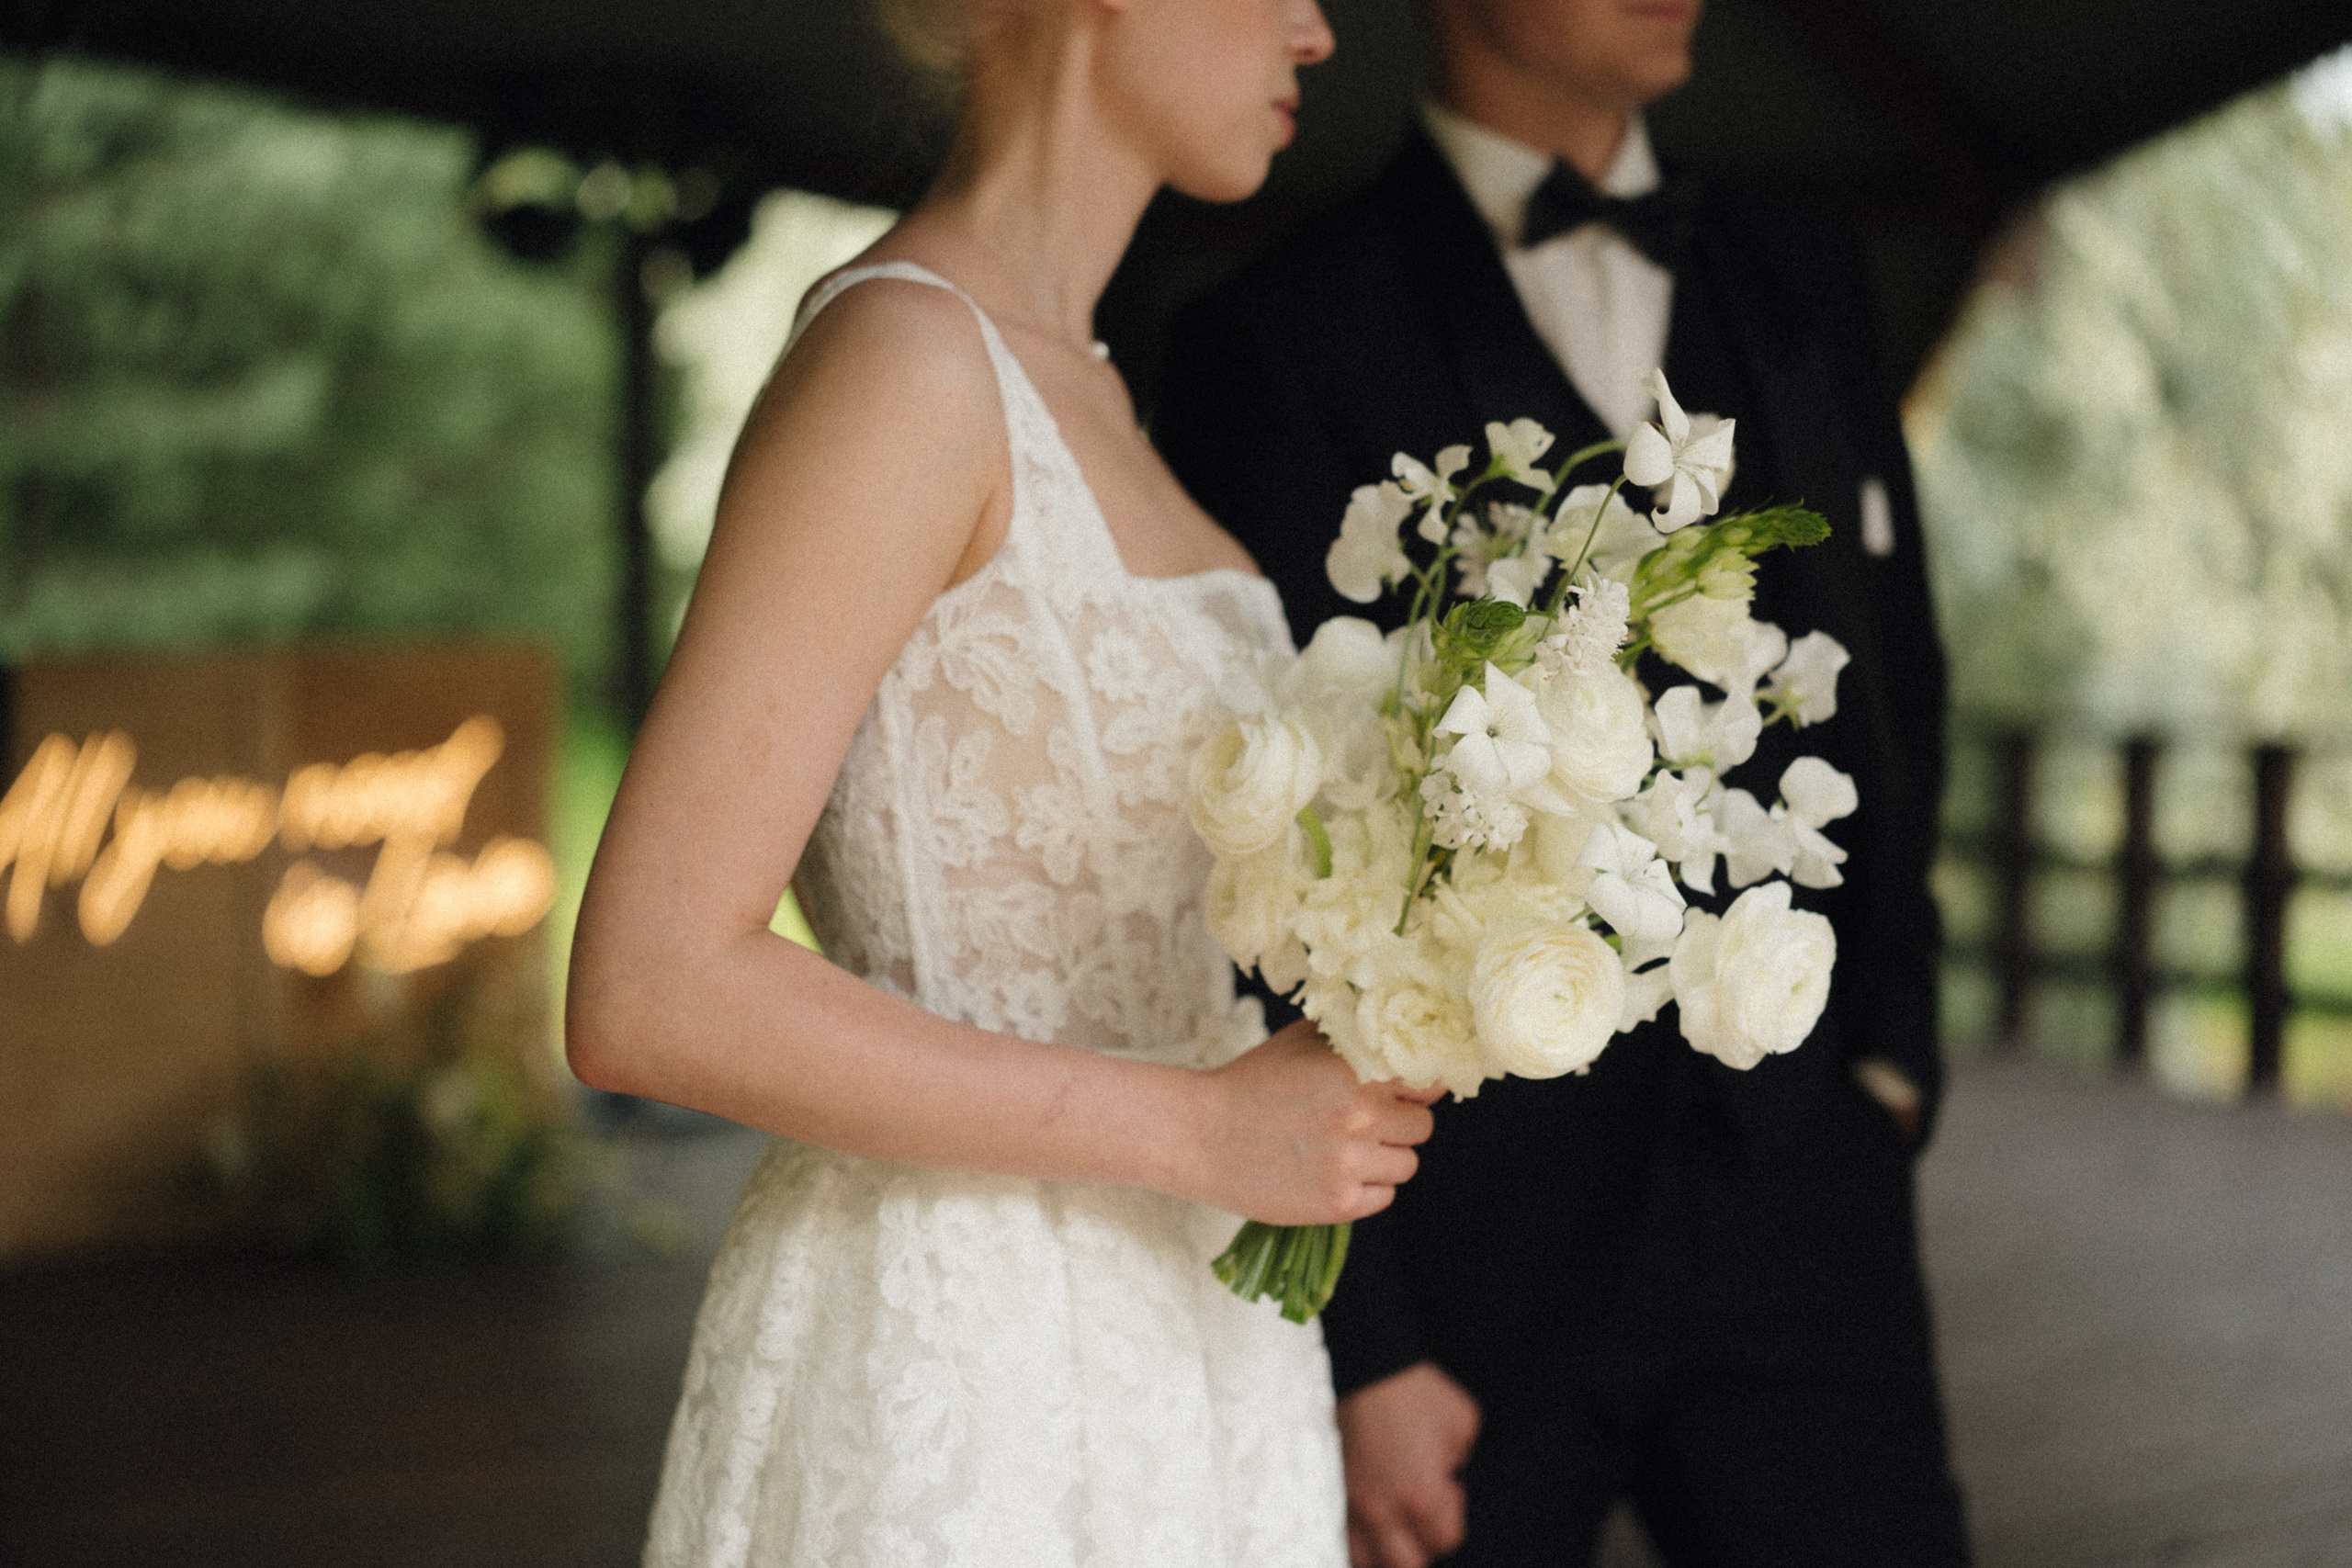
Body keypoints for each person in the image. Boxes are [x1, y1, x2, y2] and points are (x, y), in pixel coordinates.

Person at [564, 2, 1441, 1562]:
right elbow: (648, 985)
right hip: (958, 1362)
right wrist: (1195, 1136)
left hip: (1195, 1343)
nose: (1317, 31)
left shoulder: (1092, 390)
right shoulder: (905, 364)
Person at [1153, 2, 1971, 1564]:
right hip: (1465, 1252)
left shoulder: (1805, 273)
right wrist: (1361, 1339)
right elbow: (1245, 838)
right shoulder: (1277, 332)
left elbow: (1896, 675)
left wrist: (1892, 1057)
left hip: (1808, 1193)